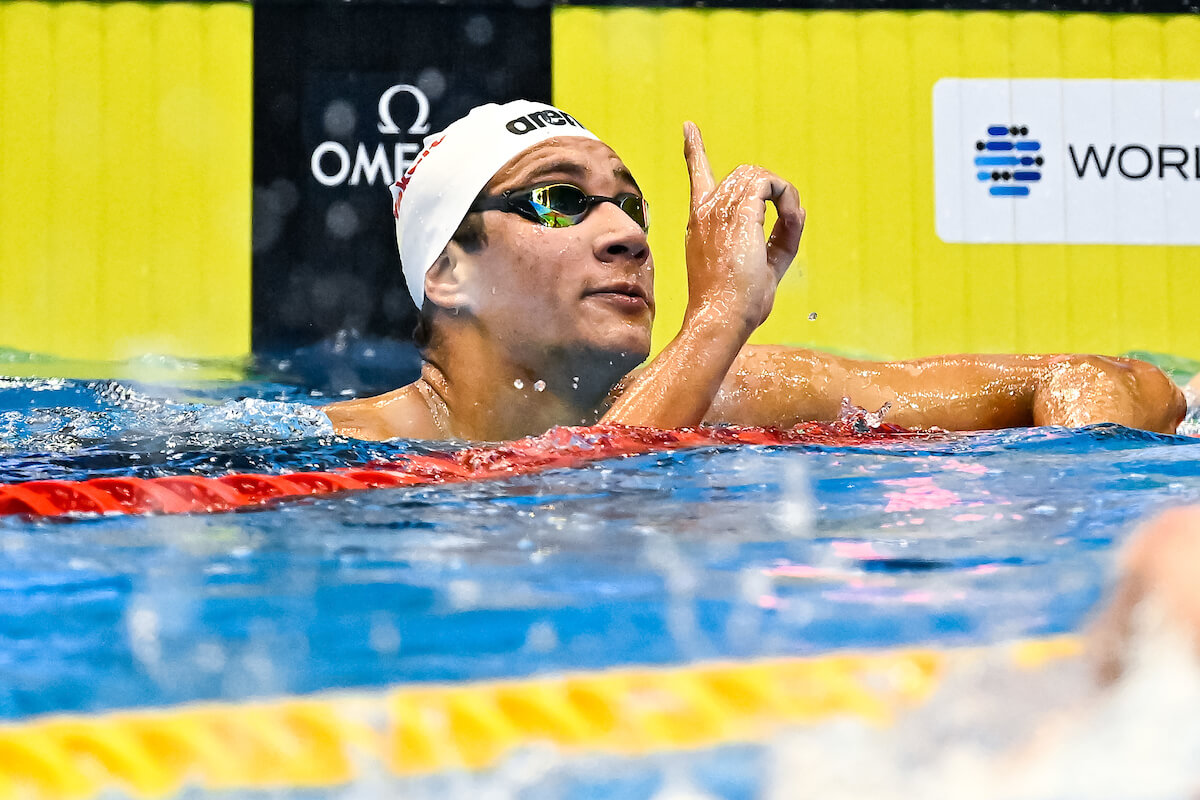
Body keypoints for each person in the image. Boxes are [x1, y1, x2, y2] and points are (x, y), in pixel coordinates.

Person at [325, 100, 1184, 442]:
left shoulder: (743, 393)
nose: (626, 232)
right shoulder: (349, 452)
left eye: (634, 208)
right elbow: (554, 493)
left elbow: (1119, 380)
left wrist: (1079, 476)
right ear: (448, 272)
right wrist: (715, 320)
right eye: (558, 200)